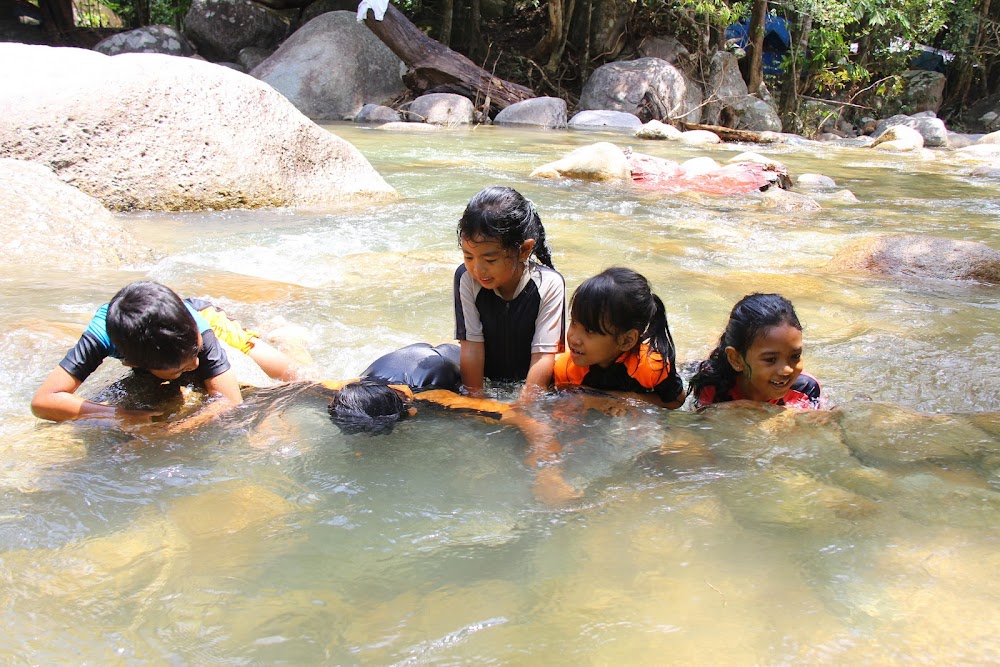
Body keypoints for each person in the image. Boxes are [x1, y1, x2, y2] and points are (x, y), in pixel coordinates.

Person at [324, 342, 578, 504]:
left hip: (448, 359)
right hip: (408, 361)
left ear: (410, 414)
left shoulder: (439, 401)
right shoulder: (342, 393)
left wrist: (548, 474)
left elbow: (532, 422)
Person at [31, 281, 304, 426]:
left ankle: (294, 349)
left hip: (197, 315)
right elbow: (43, 402)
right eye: (182, 368)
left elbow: (229, 401)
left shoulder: (199, 330)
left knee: (269, 359)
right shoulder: (100, 337)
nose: (196, 364)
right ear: (131, 363)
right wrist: (115, 413)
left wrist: (174, 431)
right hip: (154, 335)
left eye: (195, 355)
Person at [453, 186, 566, 397]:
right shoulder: (466, 278)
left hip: (531, 382)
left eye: (490, 260)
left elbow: (543, 357)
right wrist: (475, 400)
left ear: (523, 250)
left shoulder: (549, 283)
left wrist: (525, 407)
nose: (478, 269)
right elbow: (471, 348)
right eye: (468, 256)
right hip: (489, 378)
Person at [552, 267, 686, 409]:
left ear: (626, 340)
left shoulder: (652, 367)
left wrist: (629, 399)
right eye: (573, 322)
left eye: (589, 330)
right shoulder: (565, 369)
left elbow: (676, 401)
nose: (573, 339)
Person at [689, 293, 822, 410]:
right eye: (770, 359)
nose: (786, 370)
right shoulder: (712, 383)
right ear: (736, 359)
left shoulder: (806, 388)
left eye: (795, 356)